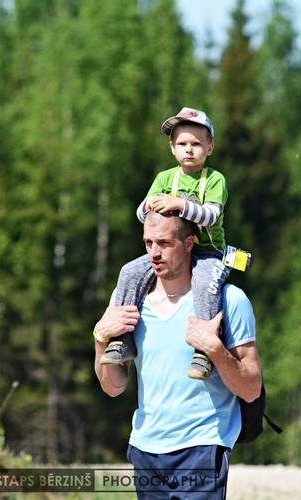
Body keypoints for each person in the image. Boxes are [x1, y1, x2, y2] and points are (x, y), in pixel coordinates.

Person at [93, 211, 262, 499]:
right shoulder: (127, 302)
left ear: (189, 243)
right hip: (146, 449)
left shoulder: (229, 300)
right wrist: (100, 339)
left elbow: (251, 388)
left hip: (203, 446)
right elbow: (113, 387)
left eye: (164, 243)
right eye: (148, 243)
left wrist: (215, 350)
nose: (154, 253)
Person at [100, 106, 251, 381]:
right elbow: (142, 215)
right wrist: (149, 205)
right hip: (171, 248)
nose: (189, 150)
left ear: (210, 147)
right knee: (129, 272)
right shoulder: (164, 178)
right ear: (172, 148)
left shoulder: (215, 180)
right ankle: (121, 339)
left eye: (196, 144)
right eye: (182, 143)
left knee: (205, 284)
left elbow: (211, 215)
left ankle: (204, 351)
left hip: (208, 252)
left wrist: (178, 204)